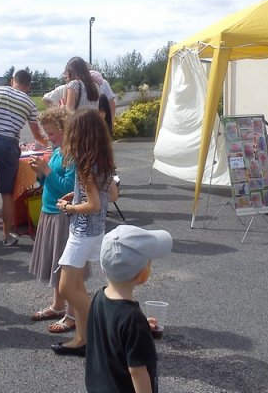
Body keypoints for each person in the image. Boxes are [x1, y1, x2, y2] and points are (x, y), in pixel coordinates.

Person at [51, 109, 118, 357]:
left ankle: (99, 333)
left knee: (68, 288)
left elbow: (93, 205)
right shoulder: (102, 161)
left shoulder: (84, 165)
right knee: (77, 285)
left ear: (78, 135)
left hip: (82, 231)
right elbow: (111, 195)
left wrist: (70, 206)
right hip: (96, 230)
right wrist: (75, 195)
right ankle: (82, 339)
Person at [85, 225, 173, 392]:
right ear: (143, 275)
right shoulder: (133, 319)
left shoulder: (99, 297)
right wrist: (138, 329)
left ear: (103, 269)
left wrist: (139, 330)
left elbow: (112, 333)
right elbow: (137, 372)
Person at [0, 69, 47, 246]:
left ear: (13, 80)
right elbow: (37, 134)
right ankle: (6, 236)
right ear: (28, 86)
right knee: (7, 193)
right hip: (9, 145)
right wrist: (47, 142)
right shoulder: (29, 103)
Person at [28, 108, 83, 333]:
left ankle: (72, 314)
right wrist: (41, 173)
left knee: (67, 266)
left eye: (51, 134)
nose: (48, 138)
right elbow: (51, 181)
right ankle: (58, 305)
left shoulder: (72, 154)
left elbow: (69, 188)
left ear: (65, 130)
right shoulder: (59, 150)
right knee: (56, 262)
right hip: (49, 211)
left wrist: (46, 171)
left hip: (63, 214)